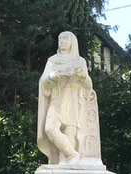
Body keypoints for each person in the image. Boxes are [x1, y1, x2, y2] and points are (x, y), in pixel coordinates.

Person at [37, 31, 94, 165]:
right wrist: (52, 76)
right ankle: (73, 154)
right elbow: (43, 81)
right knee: (50, 128)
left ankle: (65, 160)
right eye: (60, 39)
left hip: (73, 98)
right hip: (57, 98)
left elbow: (88, 86)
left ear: (72, 42)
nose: (62, 41)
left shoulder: (80, 61)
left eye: (65, 39)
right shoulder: (52, 60)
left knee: (70, 131)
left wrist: (82, 77)